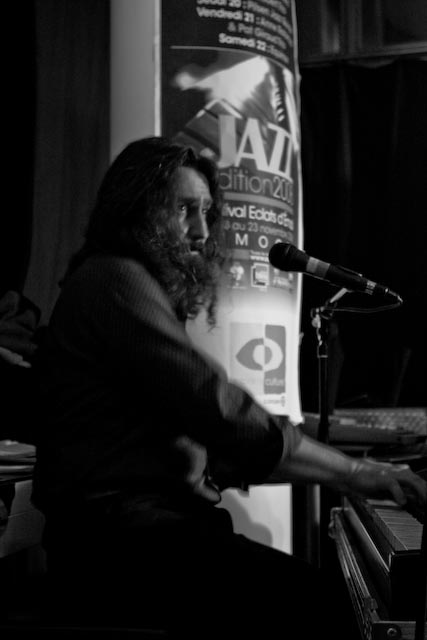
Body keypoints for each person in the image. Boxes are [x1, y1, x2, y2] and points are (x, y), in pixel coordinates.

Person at [32, 136, 426, 638]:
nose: (201, 231)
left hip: (139, 536)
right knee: (327, 608)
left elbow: (208, 438)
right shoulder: (114, 280)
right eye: (183, 210)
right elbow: (218, 409)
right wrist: (355, 472)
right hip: (120, 546)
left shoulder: (118, 283)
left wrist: (352, 472)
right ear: (135, 210)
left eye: (205, 212)